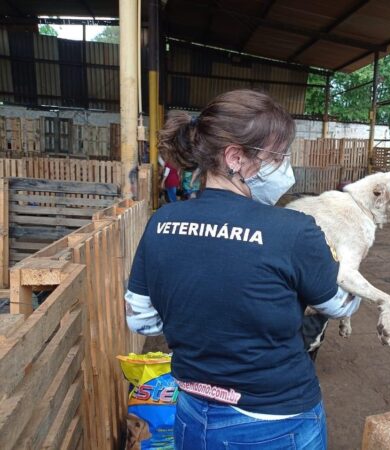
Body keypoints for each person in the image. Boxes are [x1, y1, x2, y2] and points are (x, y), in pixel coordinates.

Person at [124, 89, 360, 450]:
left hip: (191, 410)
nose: (283, 167)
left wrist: (199, 327)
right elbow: (341, 305)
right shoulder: (293, 230)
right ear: (235, 157)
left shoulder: (162, 222)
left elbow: (142, 321)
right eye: (277, 156)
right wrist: (342, 263)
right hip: (275, 422)